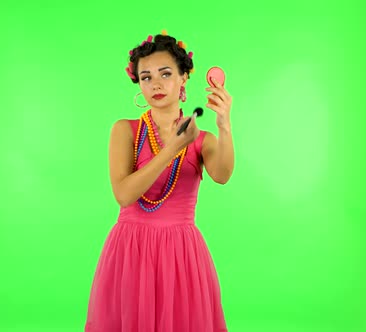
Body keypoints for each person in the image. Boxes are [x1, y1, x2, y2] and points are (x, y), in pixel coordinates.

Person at [84, 31, 234, 332]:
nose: (155, 84)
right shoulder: (125, 131)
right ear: (138, 83)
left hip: (181, 254)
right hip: (130, 250)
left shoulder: (202, 140)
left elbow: (222, 175)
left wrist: (224, 125)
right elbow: (124, 195)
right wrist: (172, 149)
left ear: (183, 80)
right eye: (146, 77)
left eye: (165, 74)